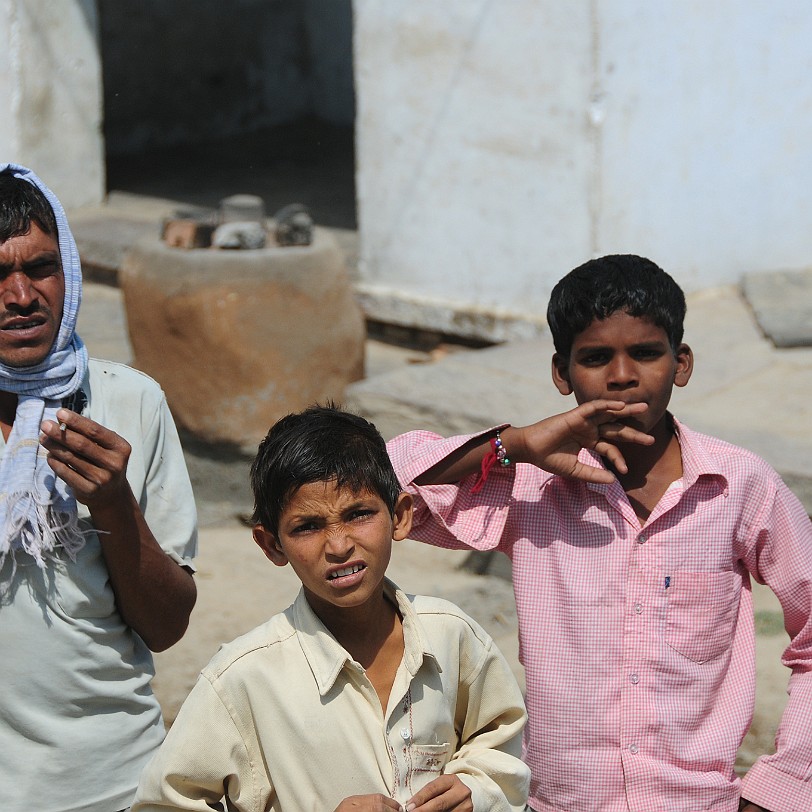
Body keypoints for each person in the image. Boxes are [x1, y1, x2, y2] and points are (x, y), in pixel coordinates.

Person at [387, 254, 812, 812]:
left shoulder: (737, 486)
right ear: (562, 374)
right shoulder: (530, 487)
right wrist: (513, 445)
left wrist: (780, 787)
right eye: (594, 358)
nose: (621, 376)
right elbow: (379, 484)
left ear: (680, 363)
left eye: (645, 353)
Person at [132, 405, 530, 812]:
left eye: (359, 514)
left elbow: (500, 740)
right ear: (272, 545)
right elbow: (164, 804)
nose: (338, 546)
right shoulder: (243, 679)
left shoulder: (451, 636)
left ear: (400, 516)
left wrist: (475, 789)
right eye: (307, 526)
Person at [0, 163, 198, 811]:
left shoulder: (129, 403)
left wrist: (115, 504)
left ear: (72, 274)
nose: (22, 295)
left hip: (111, 783)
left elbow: (166, 625)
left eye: (42, 267)